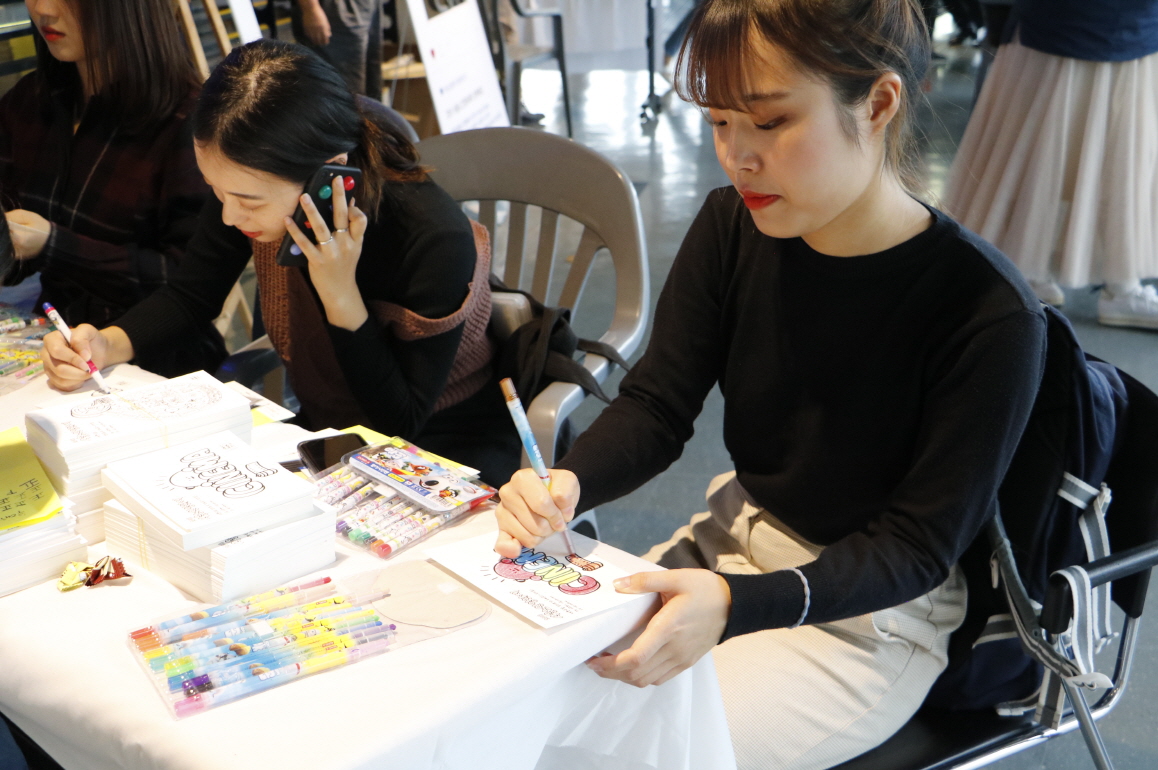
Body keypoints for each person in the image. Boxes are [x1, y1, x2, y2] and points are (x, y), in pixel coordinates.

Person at [492, 0, 1046, 767]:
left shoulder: (987, 311)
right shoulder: (733, 226)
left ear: (878, 103)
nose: (737, 156)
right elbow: (658, 404)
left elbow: (916, 547)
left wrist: (735, 605)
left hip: (870, 618)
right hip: (731, 543)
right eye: (720, 122)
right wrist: (568, 482)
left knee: (630, 753)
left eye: (770, 121)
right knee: (524, 708)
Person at [40, 40, 521, 486]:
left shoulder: (433, 238)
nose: (229, 216)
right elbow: (191, 294)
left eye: (247, 201)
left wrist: (339, 294)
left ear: (329, 174)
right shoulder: (248, 179)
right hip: (327, 434)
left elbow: (396, 424)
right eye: (216, 191)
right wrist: (105, 344)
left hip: (446, 445)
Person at [0, 0, 224, 377]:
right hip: (54, 346)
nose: (43, 9)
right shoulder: (30, 101)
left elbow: (188, 287)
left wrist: (54, 244)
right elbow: (13, 254)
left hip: (158, 363)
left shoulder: (191, 122)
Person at [946, 0, 1158, 327]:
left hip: (1076, 22)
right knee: (1086, 148)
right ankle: (1114, 284)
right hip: (1083, 24)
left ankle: (1035, 266)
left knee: (1047, 146)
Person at [292, 0, 383, 99]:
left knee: (371, 89)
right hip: (335, 10)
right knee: (347, 92)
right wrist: (311, 8)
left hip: (366, 5)